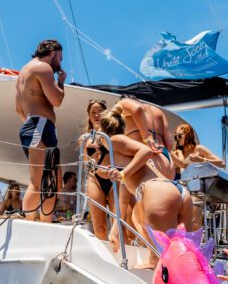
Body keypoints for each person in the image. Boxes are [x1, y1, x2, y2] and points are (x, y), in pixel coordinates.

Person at [101, 106, 193, 269]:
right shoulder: (125, 156)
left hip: (156, 192)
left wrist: (123, 174)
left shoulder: (114, 141)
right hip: (174, 191)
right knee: (182, 259)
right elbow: (122, 201)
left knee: (160, 261)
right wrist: (115, 232)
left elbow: (145, 151)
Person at [15, 39, 66, 222]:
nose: (60, 63)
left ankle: (43, 222)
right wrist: (61, 83)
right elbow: (57, 100)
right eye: (60, 58)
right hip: (40, 125)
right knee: (39, 183)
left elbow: (19, 109)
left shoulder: (23, 72)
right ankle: (34, 223)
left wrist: (34, 122)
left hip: (34, 124)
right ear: (52, 53)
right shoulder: (43, 68)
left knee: (51, 181)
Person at [81, 99, 115, 240]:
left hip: (114, 179)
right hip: (95, 179)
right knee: (100, 229)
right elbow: (86, 163)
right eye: (93, 113)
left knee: (119, 227)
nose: (96, 115)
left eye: (100, 112)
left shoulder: (114, 135)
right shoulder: (85, 137)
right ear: (89, 116)